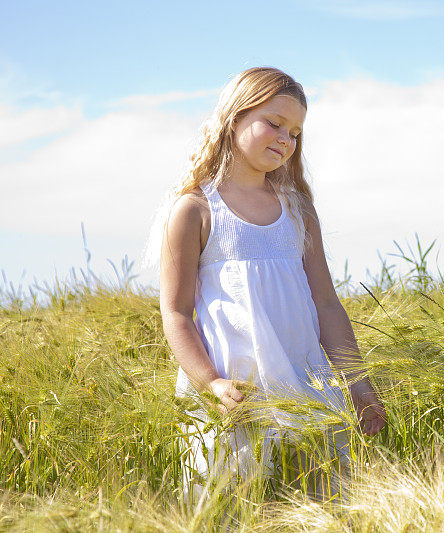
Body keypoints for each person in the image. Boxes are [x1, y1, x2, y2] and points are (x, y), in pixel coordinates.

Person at [159, 67, 386, 499]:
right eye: (275, 123)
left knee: (323, 505)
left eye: (296, 132)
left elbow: (326, 304)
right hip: (233, 399)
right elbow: (175, 313)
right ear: (234, 118)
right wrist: (211, 384)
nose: (286, 139)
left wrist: (358, 383)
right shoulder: (196, 210)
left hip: (304, 389)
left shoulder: (298, 211)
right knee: (229, 511)